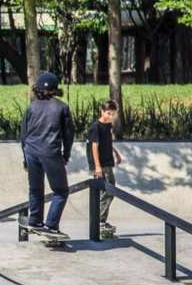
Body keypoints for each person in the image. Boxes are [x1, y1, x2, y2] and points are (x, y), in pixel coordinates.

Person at [20, 72, 75, 237]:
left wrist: (25, 158)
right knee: (60, 191)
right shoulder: (62, 107)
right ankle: (51, 225)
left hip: (31, 151)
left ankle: (35, 220)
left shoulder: (31, 107)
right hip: (50, 152)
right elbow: (68, 134)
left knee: (35, 188)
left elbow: (23, 135)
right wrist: (66, 154)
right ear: (55, 89)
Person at [86, 100, 123, 237]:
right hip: (100, 165)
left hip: (107, 162)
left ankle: (101, 220)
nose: (110, 117)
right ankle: (99, 221)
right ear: (102, 111)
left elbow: (107, 142)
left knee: (108, 191)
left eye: (113, 114)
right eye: (108, 113)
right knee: (108, 190)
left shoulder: (108, 126)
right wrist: (97, 166)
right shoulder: (95, 127)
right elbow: (94, 146)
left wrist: (116, 153)